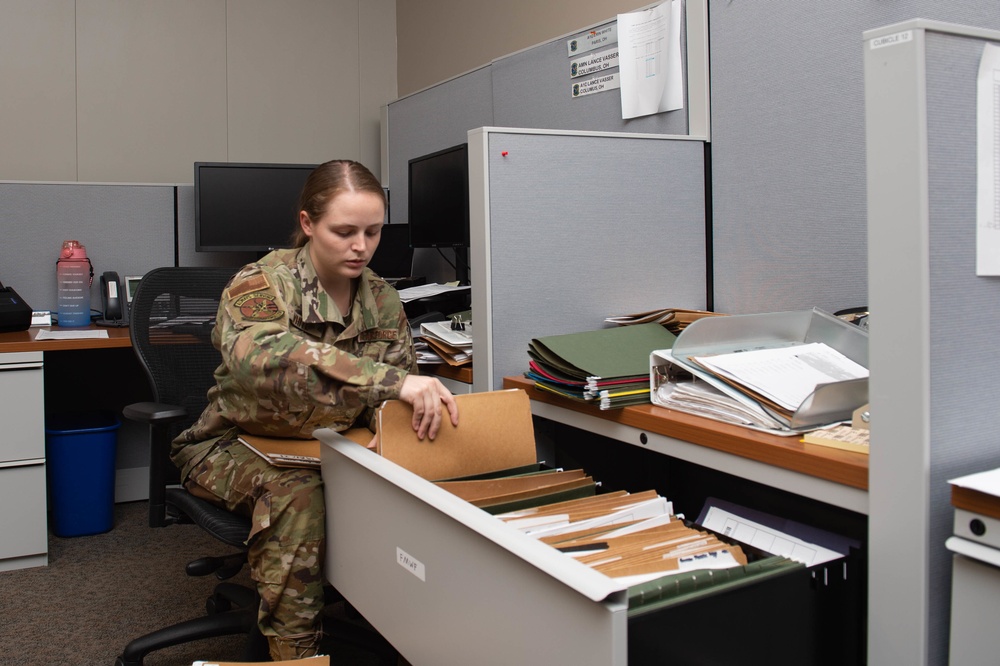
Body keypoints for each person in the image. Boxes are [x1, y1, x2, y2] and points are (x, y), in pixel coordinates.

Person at [170, 159, 459, 660]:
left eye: (373, 232)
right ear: (307, 223)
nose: (360, 246)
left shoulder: (383, 299)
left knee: (415, 482)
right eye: (344, 232)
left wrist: (389, 426)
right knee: (297, 496)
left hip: (332, 446)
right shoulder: (262, 283)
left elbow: (391, 397)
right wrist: (391, 383)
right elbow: (262, 359)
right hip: (231, 444)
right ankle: (298, 654)